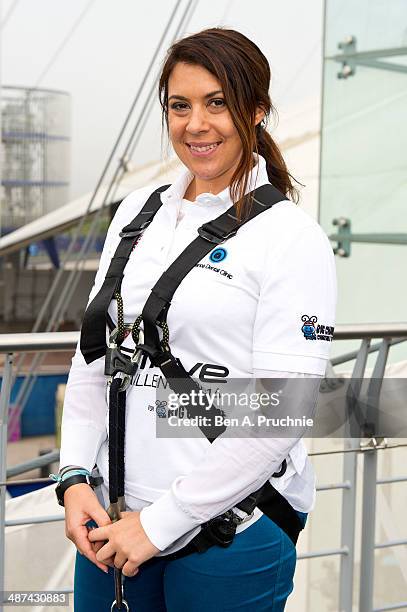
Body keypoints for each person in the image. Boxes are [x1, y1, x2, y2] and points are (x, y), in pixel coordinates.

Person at [57, 28, 336, 611]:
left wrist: (162, 522)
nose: (196, 124)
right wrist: (74, 475)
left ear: (255, 110)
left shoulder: (290, 239)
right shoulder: (138, 212)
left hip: (227, 533)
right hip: (113, 522)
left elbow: (281, 410)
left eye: (217, 102)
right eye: (180, 106)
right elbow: (95, 354)